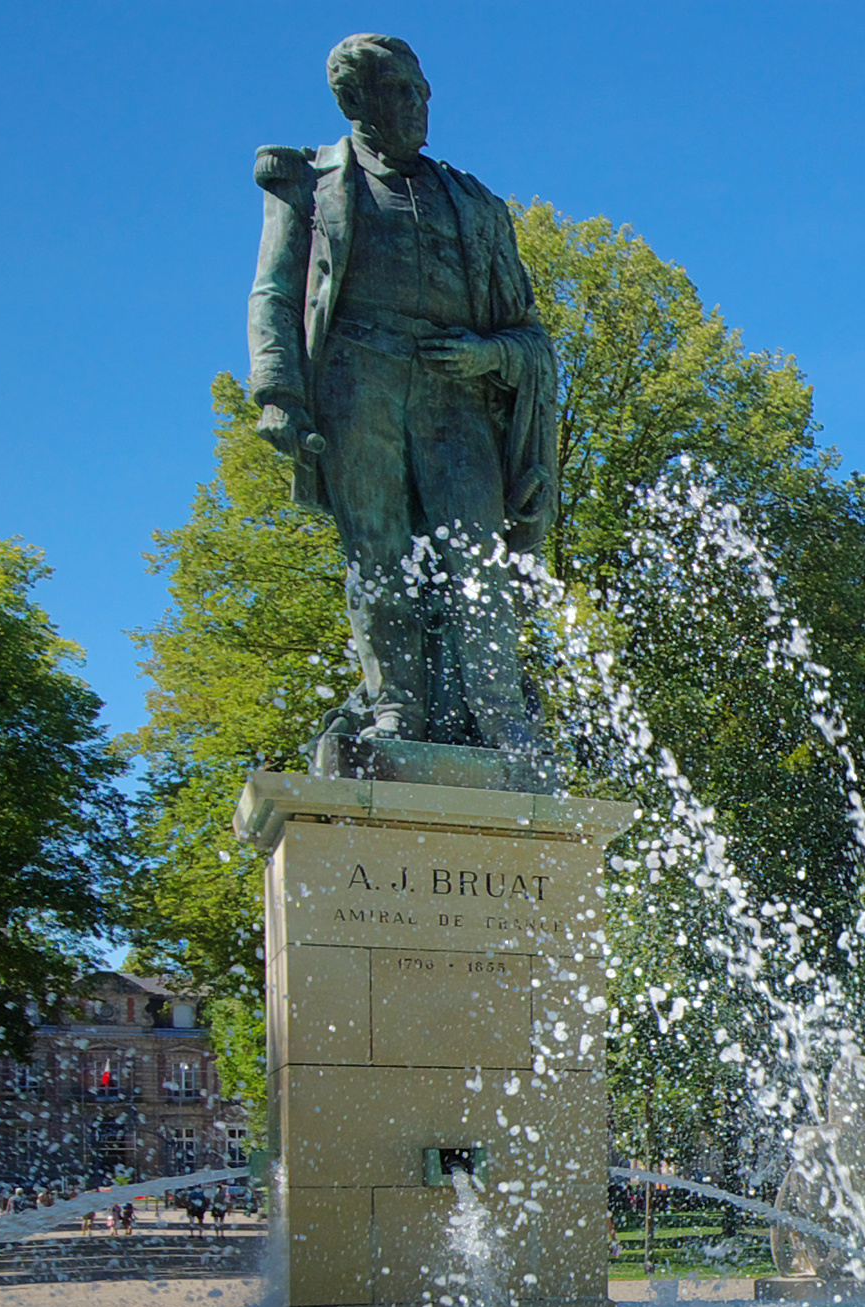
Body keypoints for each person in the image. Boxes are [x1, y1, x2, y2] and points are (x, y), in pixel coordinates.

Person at [248, 34, 556, 771]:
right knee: (376, 553)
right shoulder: (313, 183)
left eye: (421, 90)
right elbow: (275, 291)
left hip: (458, 393)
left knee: (478, 556)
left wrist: (489, 356)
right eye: (400, 91)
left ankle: (501, 715)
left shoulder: (476, 205)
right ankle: (396, 706)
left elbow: (529, 332)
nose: (420, 105)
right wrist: (278, 392)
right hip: (359, 381)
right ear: (354, 102)